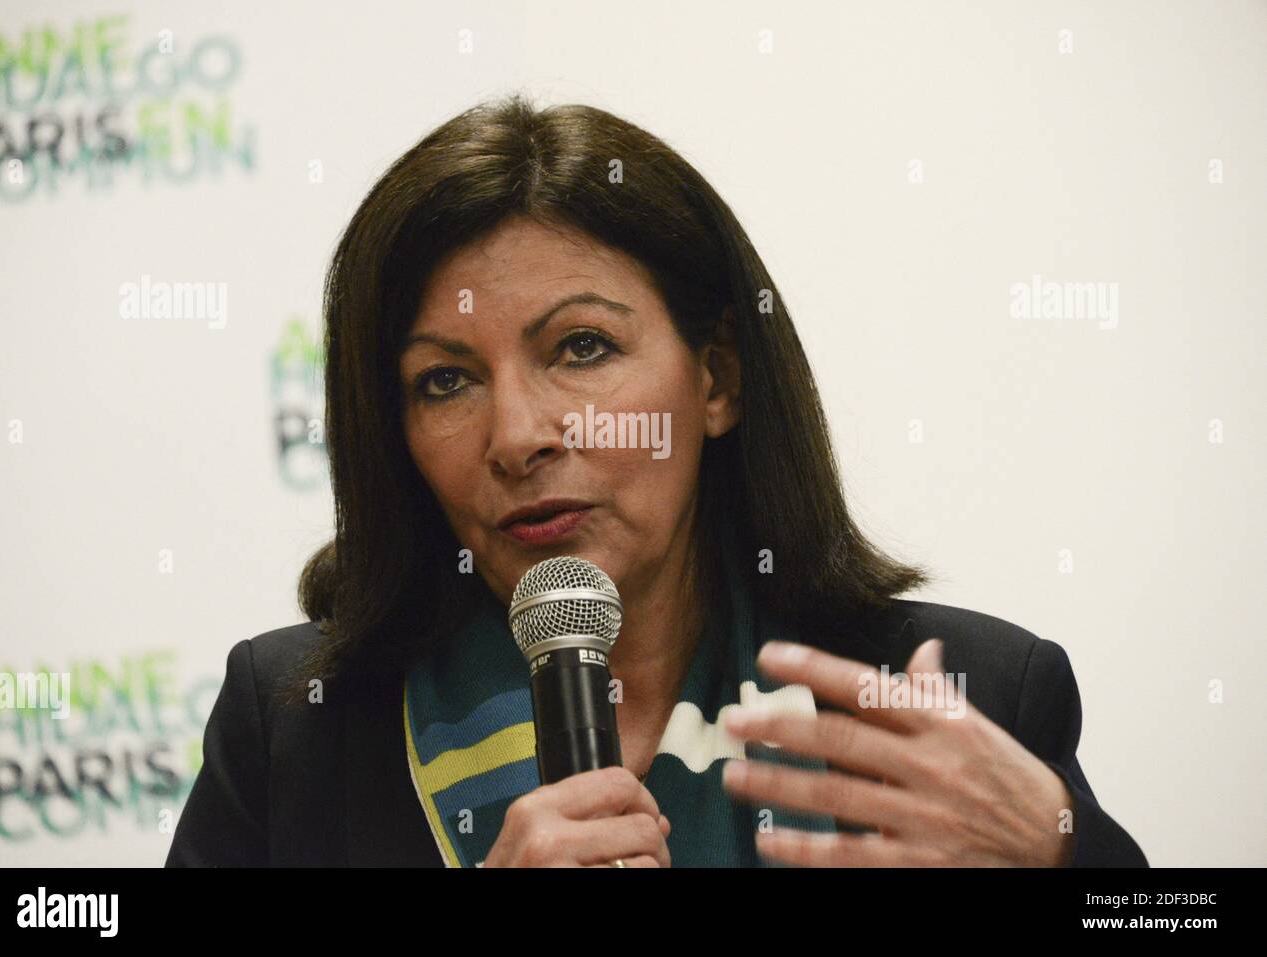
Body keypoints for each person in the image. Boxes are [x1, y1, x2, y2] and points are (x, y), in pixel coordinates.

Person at [165, 94, 1147, 868]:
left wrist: (1061, 853)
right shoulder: (298, 731)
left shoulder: (962, 699)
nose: (517, 436)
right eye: (446, 380)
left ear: (715, 377)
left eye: (581, 347)